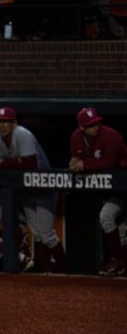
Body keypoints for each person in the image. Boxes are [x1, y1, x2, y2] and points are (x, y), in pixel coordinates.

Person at [0, 106, 66, 272]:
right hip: (26, 189)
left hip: (44, 188)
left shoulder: (23, 134)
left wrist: (11, 163)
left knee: (47, 235)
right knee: (37, 233)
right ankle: (47, 271)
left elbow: (29, 164)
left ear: (14, 123)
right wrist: (17, 162)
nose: (2, 126)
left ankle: (64, 270)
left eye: (7, 122)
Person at [69, 108, 126, 276]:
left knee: (107, 217)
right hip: (105, 188)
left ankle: (117, 260)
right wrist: (79, 164)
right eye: (90, 125)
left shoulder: (111, 136)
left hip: (122, 185)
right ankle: (120, 263)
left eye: (96, 123)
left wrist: (85, 164)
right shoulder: (76, 138)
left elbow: (110, 163)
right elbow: (76, 161)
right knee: (118, 227)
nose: (96, 127)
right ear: (81, 128)